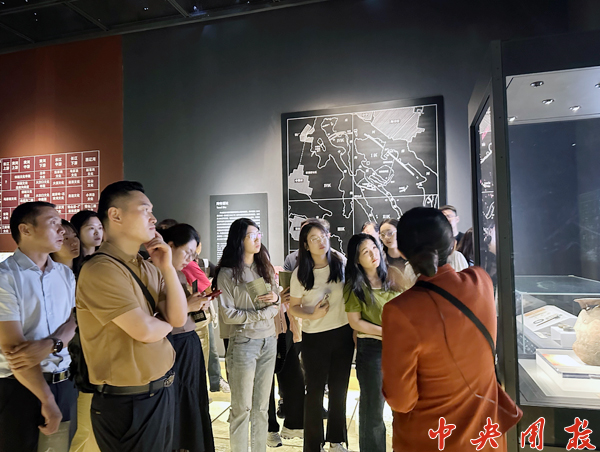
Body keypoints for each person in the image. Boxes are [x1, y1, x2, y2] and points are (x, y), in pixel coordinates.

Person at [382, 207, 518, 451]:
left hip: (430, 438)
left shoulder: (400, 310)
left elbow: (401, 400)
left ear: (401, 251)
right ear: (453, 245)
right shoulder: (481, 281)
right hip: (485, 436)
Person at [76, 181, 188, 452]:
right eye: (145, 210)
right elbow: (145, 330)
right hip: (129, 403)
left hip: (160, 392)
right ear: (115, 215)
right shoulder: (101, 269)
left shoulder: (147, 266)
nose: (153, 218)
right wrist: (165, 321)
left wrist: (167, 268)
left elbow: (179, 317)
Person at [0, 201, 77, 452]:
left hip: (64, 381)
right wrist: (47, 399)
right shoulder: (5, 277)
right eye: (53, 223)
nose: (62, 230)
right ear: (26, 229)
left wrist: (51, 344)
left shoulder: (64, 274)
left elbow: (73, 321)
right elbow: (14, 349)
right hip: (19, 387)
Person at [213, 218, 280, 452]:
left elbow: (276, 302)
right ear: (239, 240)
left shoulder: (265, 268)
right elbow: (228, 315)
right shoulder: (227, 273)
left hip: (269, 341)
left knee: (262, 408)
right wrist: (261, 315)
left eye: (258, 234)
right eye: (252, 235)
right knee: (241, 408)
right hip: (243, 343)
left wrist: (275, 300)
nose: (257, 239)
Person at [289, 219, 352, 452]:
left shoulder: (340, 263)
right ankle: (313, 445)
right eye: (314, 239)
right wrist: (312, 315)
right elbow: (293, 307)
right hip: (314, 337)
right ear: (305, 245)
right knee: (314, 392)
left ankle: (336, 440)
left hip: (343, 334)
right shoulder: (300, 274)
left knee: (339, 390)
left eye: (324, 235)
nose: (321, 241)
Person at [344, 233, 407, 452]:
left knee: (403, 405)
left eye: (374, 248)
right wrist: (385, 332)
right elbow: (355, 322)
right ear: (356, 259)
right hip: (372, 348)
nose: (373, 254)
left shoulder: (394, 274)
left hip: (399, 348)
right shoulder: (354, 285)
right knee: (373, 409)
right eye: (365, 252)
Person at [160, 223, 215, 452]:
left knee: (192, 399)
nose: (190, 259)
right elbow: (164, 317)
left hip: (188, 340)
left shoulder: (179, 273)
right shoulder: (154, 273)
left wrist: (196, 305)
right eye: (187, 253)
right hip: (171, 344)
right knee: (176, 402)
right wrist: (188, 306)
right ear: (170, 245)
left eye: (194, 254)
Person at [70, 210, 103, 276]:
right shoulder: (70, 261)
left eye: (100, 228)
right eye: (91, 228)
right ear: (77, 231)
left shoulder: (104, 258)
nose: (97, 232)